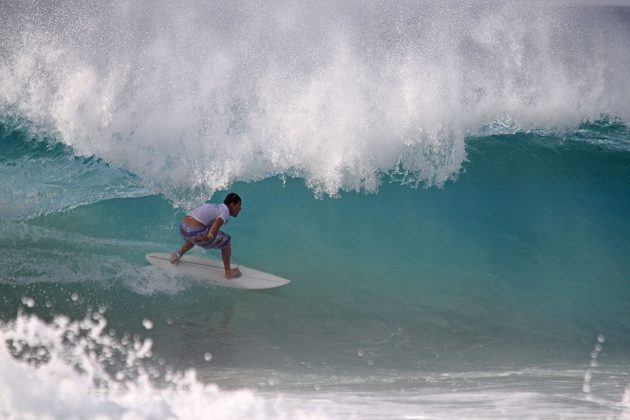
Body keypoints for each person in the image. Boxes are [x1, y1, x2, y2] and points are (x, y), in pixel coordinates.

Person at [170, 192, 242, 279]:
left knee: (194, 239)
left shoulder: (216, 207)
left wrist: (208, 233)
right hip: (194, 232)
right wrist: (209, 236)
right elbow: (217, 223)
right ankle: (228, 272)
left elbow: (209, 223)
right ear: (232, 204)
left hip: (183, 228)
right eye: (238, 206)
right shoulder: (225, 211)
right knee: (226, 240)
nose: (240, 209)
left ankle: (177, 255)